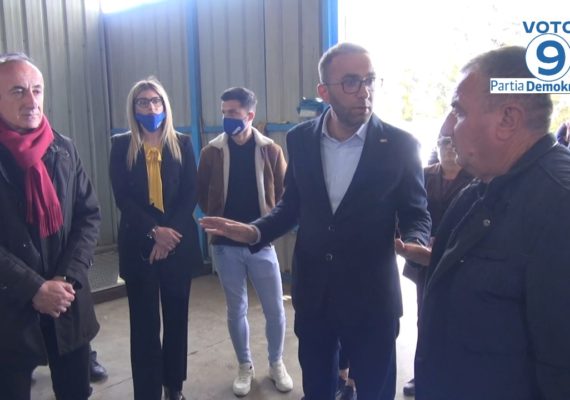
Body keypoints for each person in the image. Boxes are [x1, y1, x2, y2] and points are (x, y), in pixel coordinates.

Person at [200, 42, 431, 400]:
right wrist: (255, 231)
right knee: (318, 388)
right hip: (315, 295)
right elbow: (291, 205)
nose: (365, 91)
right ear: (324, 91)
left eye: (370, 80)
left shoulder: (399, 145)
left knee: (375, 390)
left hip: (372, 297)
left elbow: (416, 211)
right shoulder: (301, 139)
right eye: (351, 82)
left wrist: (416, 239)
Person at [396, 46, 570, 400]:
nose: (448, 126)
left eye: (458, 111)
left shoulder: (559, 205)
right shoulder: (482, 187)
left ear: (508, 119)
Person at [0, 53, 101, 400]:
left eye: (37, 90)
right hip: (9, 311)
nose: (31, 101)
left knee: (75, 391)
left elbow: (88, 216)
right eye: (18, 91)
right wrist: (34, 288)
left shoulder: (63, 148)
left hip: (66, 302)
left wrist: (64, 280)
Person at [109, 77, 202, 400]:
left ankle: (173, 385)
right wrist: (154, 232)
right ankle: (147, 392)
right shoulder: (121, 146)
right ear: (133, 108)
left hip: (177, 243)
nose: (150, 108)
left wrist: (168, 235)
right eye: (143, 102)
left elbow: (190, 192)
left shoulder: (182, 144)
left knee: (176, 319)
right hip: (139, 244)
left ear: (165, 105)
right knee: (144, 324)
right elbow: (122, 198)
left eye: (156, 101)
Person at [196, 86, 293, 396]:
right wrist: (220, 223)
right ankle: (244, 366)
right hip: (226, 246)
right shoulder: (211, 152)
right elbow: (202, 192)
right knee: (235, 309)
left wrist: (265, 228)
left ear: (250, 115)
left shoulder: (270, 150)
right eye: (224, 113)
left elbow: (285, 193)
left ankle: (276, 363)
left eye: (234, 113)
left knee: (275, 309)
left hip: (261, 243)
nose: (227, 118)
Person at [401, 121, 473, 397]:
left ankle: (454, 376)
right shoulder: (423, 175)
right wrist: (416, 240)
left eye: (454, 143)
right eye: (444, 143)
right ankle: (423, 376)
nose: (449, 148)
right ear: (437, 146)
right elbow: (410, 212)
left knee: (457, 319)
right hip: (424, 261)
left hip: (461, 261)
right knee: (426, 318)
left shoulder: (476, 179)